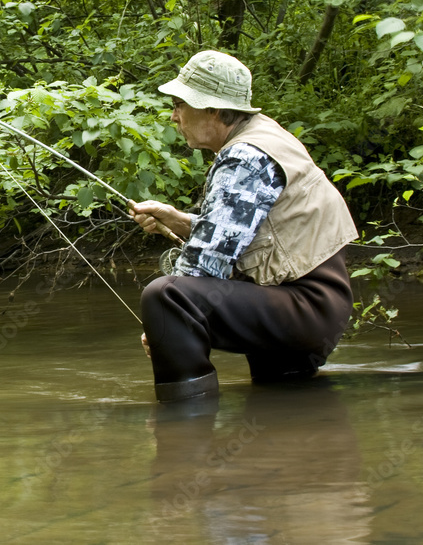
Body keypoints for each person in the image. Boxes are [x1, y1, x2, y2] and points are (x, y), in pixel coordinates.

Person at [129, 50, 357, 403]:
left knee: (166, 296)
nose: (174, 116)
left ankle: (184, 424)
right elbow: (241, 233)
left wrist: (162, 325)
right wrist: (181, 221)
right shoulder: (262, 134)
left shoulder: (245, 156)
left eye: (179, 104)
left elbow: (204, 266)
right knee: (283, 406)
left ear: (213, 110)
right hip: (311, 305)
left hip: (304, 305)